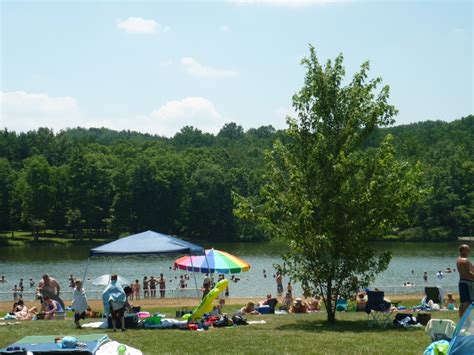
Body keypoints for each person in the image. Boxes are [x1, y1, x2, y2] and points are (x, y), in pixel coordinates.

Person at [456, 244, 474, 318]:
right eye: (467, 250)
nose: (469, 251)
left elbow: (471, 270)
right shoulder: (464, 260)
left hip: (462, 282)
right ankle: (466, 320)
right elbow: (468, 273)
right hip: (467, 282)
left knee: (463, 302)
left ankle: (462, 321)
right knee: (468, 302)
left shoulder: (459, 259)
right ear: (462, 251)